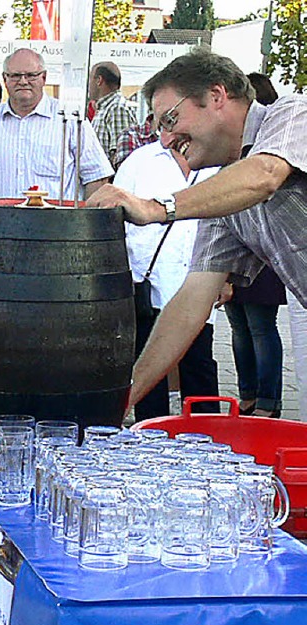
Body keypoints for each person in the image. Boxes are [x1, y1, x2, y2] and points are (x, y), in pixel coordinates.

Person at [86, 48, 307, 415]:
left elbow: (264, 176)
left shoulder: (293, 115)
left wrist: (156, 209)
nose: (167, 139)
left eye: (170, 119)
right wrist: (120, 403)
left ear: (217, 96)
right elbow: (189, 306)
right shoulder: (223, 199)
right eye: (158, 127)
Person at [115, 140, 220, 420]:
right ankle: (151, 435)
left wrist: (228, 278)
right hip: (151, 283)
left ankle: (208, 435)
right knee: (150, 369)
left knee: (199, 367)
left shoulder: (216, 161)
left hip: (200, 282)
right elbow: (118, 223)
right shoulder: (140, 161)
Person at [0, 48, 113, 200]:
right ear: (5, 79)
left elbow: (97, 177)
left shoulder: (71, 120)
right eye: (15, 76)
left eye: (31, 75)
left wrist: (82, 222)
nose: (23, 81)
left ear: (44, 77)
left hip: (57, 224)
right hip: (0, 224)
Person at [222, 73, 286, 418]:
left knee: (258, 328)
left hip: (261, 262)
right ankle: (253, 397)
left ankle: (265, 400)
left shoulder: (267, 151)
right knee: (246, 328)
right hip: (243, 259)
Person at [88, 61, 138, 169]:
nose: (88, 84)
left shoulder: (117, 109)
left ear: (99, 80)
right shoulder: (105, 109)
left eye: (90, 79)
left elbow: (123, 158)